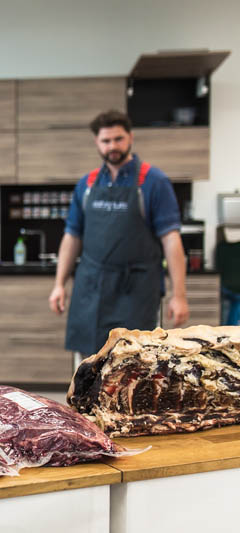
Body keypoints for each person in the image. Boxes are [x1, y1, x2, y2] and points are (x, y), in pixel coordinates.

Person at [48, 109, 189, 357]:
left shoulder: (153, 181)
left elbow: (171, 240)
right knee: (90, 363)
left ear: (130, 137)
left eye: (118, 139)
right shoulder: (88, 184)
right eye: (106, 141)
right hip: (91, 286)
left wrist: (179, 295)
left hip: (136, 288)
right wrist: (59, 284)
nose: (112, 146)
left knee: (134, 361)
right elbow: (72, 236)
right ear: (97, 143)